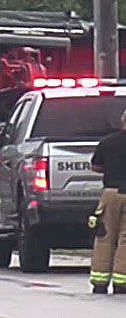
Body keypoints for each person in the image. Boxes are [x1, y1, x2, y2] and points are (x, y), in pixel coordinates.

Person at [89, 107, 126, 294]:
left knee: (104, 236)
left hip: (110, 193)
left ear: (123, 122)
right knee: (125, 239)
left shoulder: (108, 142)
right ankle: (122, 282)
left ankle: (100, 281)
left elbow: (96, 166)